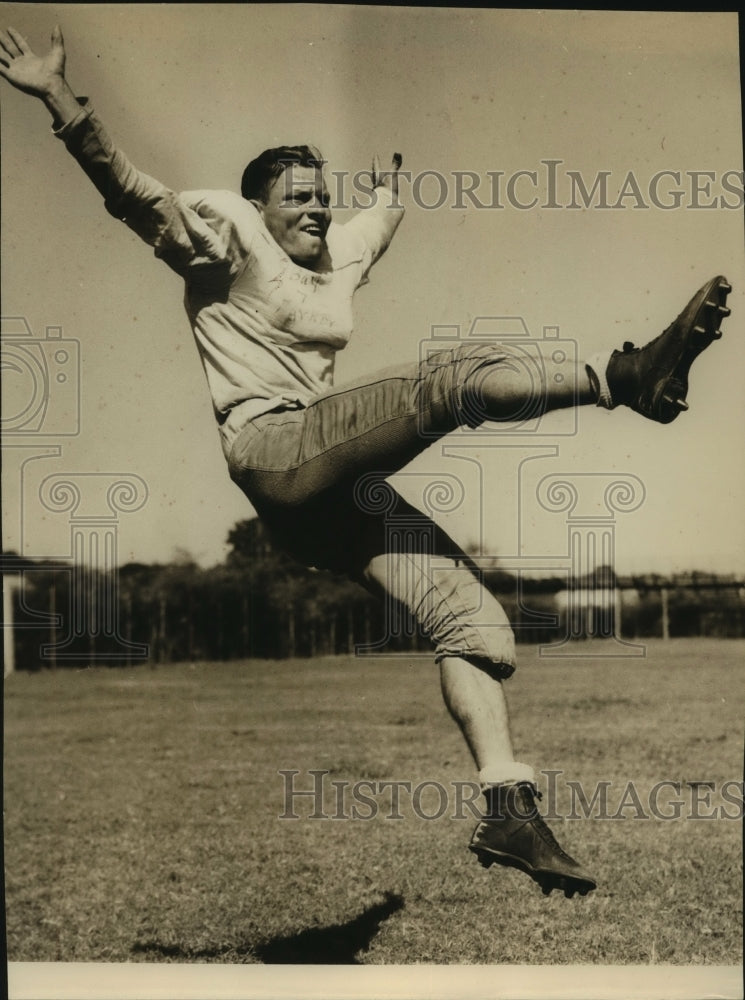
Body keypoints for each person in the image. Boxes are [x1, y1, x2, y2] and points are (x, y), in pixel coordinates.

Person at [0, 25, 732, 900]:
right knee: (446, 379)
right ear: (258, 207)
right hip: (272, 444)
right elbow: (132, 195)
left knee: (472, 621)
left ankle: (507, 806)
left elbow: (376, 225)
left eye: (321, 196)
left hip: (320, 493)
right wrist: (58, 99)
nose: (314, 209)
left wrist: (386, 193)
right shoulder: (223, 240)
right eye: (295, 198)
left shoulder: (337, 252)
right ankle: (623, 381)